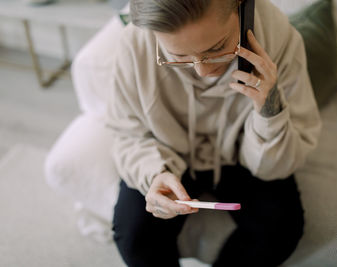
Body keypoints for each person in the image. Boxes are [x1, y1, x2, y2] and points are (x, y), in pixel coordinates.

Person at [106, 0, 321, 266]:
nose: (203, 70)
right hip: (167, 153)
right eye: (180, 56)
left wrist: (269, 108)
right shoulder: (135, 45)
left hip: (244, 155)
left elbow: (280, 163)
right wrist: (155, 173)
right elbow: (126, 134)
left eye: (217, 48)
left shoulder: (280, 38)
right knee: (135, 236)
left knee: (281, 228)